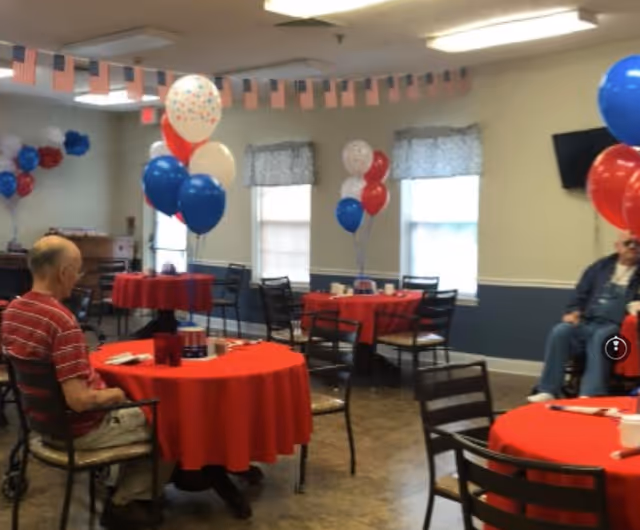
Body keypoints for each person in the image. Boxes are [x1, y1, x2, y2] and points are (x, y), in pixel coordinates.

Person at [1, 236, 252, 527]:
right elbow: (79, 401)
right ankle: (128, 501)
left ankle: (123, 483)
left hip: (40, 425)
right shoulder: (61, 321)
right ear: (63, 272)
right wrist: (115, 395)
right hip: (79, 429)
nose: (78, 278)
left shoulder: (13, 311)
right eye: (78, 270)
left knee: (143, 409)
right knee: (172, 418)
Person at [529, 231, 640, 402]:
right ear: (617, 246)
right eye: (628, 243)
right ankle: (548, 389)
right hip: (588, 320)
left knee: (601, 336)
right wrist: (573, 311)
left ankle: (591, 393)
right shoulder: (600, 267)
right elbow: (580, 293)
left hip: (616, 327)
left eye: (637, 244)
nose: (633, 247)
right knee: (561, 331)